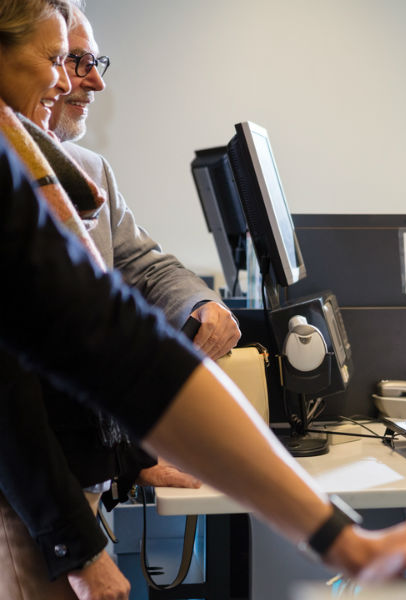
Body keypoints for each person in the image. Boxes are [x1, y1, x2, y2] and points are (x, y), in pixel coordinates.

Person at [0, 134, 406, 592]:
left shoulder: (36, 177)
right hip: (31, 503)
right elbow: (14, 406)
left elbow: (139, 361)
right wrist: (79, 551)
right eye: (56, 56)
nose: (73, 78)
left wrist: (350, 546)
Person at [0, 2, 235, 597]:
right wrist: (76, 549)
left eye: (86, 61)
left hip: (77, 475)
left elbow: (140, 265)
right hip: (28, 492)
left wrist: (197, 304)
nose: (89, 80)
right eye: (68, 60)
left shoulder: (86, 173)